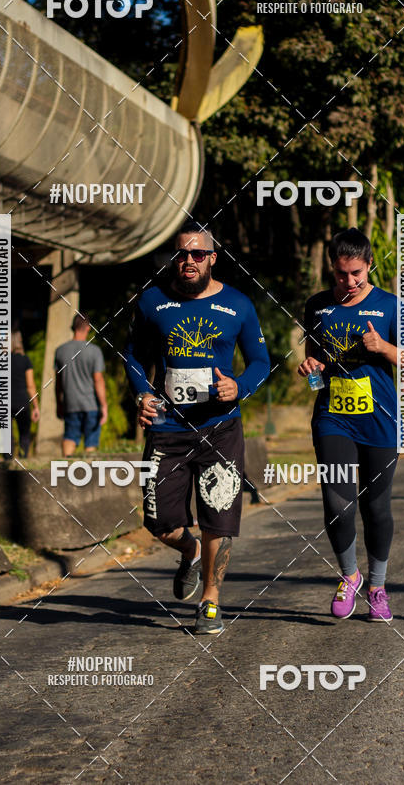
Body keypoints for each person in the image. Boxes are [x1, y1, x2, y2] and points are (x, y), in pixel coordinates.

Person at [124, 221, 270, 635]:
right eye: (181, 254)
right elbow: (133, 356)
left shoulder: (239, 305)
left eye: (197, 254)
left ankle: (210, 599)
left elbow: (261, 362)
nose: (188, 261)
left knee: (217, 520)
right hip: (167, 429)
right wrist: (141, 395)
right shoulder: (152, 301)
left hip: (220, 428)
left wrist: (238, 386)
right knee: (159, 521)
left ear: (212, 258)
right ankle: (187, 551)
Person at [298, 228, 400, 623]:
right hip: (333, 417)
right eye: (341, 274)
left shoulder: (391, 306)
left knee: (376, 508)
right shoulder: (318, 306)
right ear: (332, 269)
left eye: (356, 273)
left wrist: (385, 349)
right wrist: (311, 371)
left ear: (370, 264)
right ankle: (349, 576)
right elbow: (314, 366)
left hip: (380, 420)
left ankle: (377, 586)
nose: (349, 282)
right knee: (338, 504)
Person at [54, 312, 107, 457]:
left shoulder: (60, 351)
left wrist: (59, 404)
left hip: (70, 404)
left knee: (70, 437)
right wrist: (104, 405)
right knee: (90, 443)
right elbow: (98, 380)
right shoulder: (94, 351)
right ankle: (89, 476)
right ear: (88, 328)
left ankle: (65, 472)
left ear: (73, 327)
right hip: (91, 405)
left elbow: (58, 382)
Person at [9, 329, 40, 458]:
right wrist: (36, 406)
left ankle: (8, 462)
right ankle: (23, 460)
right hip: (22, 401)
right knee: (24, 434)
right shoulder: (25, 360)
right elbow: (30, 385)